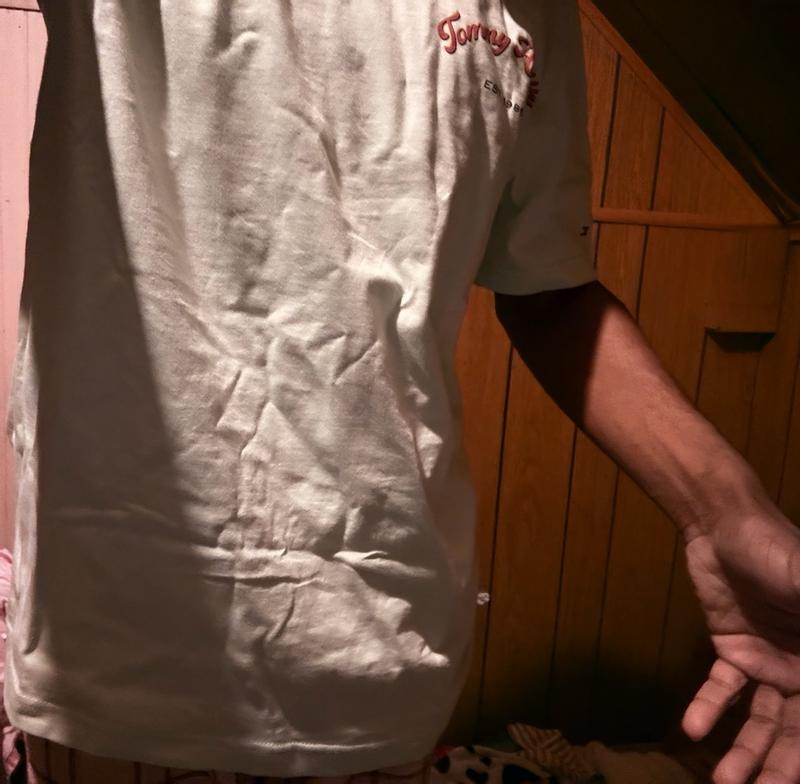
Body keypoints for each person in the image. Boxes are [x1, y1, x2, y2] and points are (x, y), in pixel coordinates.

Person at [3, 1, 798, 783]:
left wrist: (722, 509)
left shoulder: (539, 14)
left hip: (386, 669)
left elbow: (549, 290)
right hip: (111, 664)